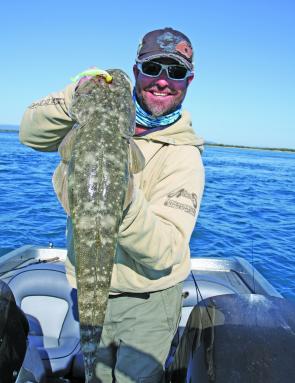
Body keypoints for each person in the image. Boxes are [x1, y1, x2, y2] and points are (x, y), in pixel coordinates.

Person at [20, 27, 205, 383]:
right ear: (136, 72)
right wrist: (74, 95)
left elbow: (165, 252)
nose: (163, 81)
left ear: (188, 81)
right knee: (95, 375)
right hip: (86, 287)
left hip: (149, 302)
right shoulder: (91, 113)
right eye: (153, 69)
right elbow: (30, 133)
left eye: (176, 72)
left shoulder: (185, 157)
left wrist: (119, 196)